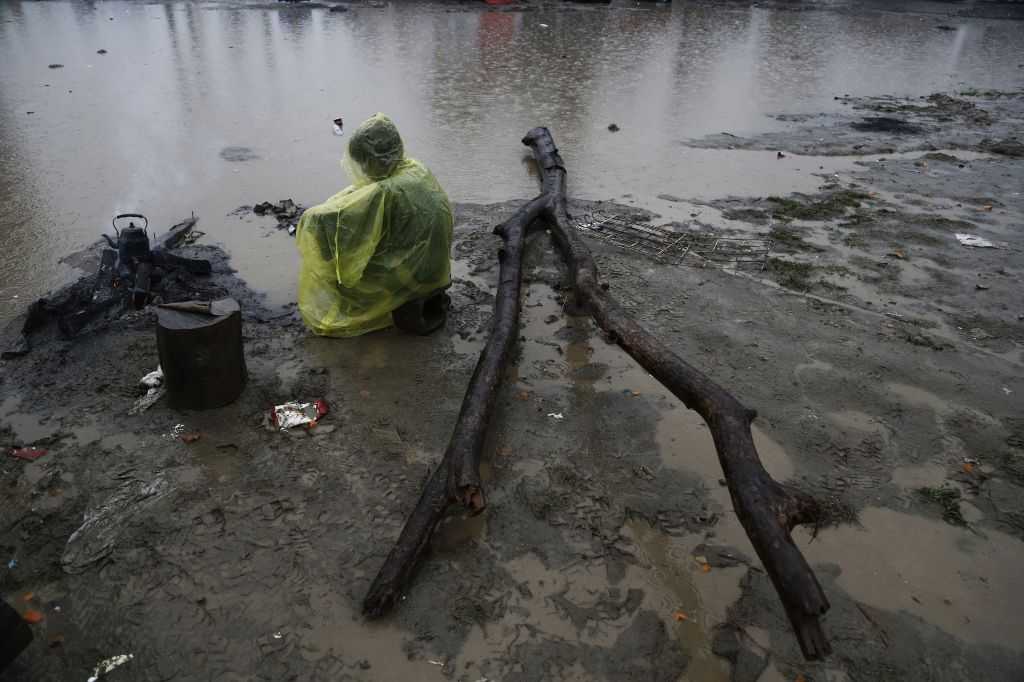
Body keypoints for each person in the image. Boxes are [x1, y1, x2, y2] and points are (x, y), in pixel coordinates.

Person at [295, 113, 454, 337]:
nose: (363, 169)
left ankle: (355, 299)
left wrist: (310, 217)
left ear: (373, 159)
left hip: (415, 277)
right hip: (437, 271)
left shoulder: (389, 191)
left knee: (328, 231)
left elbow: (345, 219)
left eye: (363, 162)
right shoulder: (415, 168)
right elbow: (363, 198)